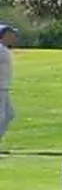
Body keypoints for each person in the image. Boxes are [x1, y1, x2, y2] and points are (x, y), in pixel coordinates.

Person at [0, 23, 18, 152]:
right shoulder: (0, 50)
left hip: (4, 87)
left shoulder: (4, 49)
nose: (14, 37)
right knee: (2, 116)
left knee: (10, 114)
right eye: (11, 34)